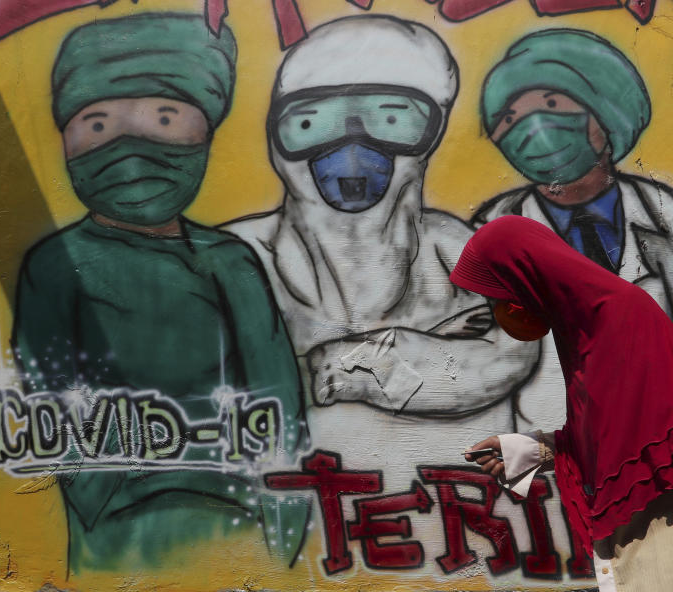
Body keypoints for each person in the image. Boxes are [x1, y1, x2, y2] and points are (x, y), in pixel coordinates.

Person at [12, 13, 308, 571]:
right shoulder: (53, 264)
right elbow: (47, 386)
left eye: (165, 118)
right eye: (96, 125)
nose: (129, 144)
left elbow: (277, 397)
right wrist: (99, 492)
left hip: (237, 510)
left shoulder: (227, 259)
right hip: (113, 522)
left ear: (204, 132)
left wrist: (284, 520)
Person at [223, 16, 538, 488]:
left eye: (390, 119)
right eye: (313, 122)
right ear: (279, 134)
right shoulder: (237, 256)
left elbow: (517, 347)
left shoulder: (455, 249)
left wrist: (365, 368)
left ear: (429, 134)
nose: (353, 145)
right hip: (293, 508)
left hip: (445, 505)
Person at [454, 216, 673, 592]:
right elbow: (611, 434)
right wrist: (527, 451)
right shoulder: (581, 329)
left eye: (498, 295)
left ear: (527, 278)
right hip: (645, 526)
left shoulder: (622, 316)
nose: (498, 309)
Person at [472, 29, 673, 433]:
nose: (533, 129)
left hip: (668, 443)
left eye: (552, 104)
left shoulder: (665, 217)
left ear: (606, 115)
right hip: (551, 445)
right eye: (509, 118)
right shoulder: (493, 232)